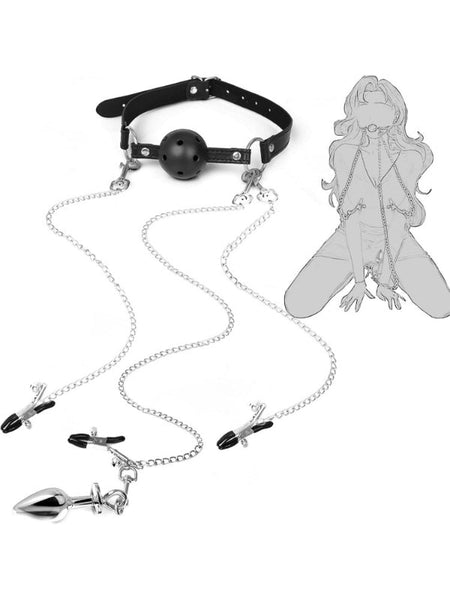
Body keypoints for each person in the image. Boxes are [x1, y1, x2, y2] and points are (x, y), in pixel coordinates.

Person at [284, 76, 450, 319]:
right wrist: (359, 281)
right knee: (298, 303)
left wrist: (386, 279)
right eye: (364, 107)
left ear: (395, 113)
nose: (372, 117)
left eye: (380, 107)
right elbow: (350, 219)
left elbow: (399, 221)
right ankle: (362, 266)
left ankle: (379, 268)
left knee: (441, 305)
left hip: (395, 238)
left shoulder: (410, 157)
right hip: (350, 237)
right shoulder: (345, 153)